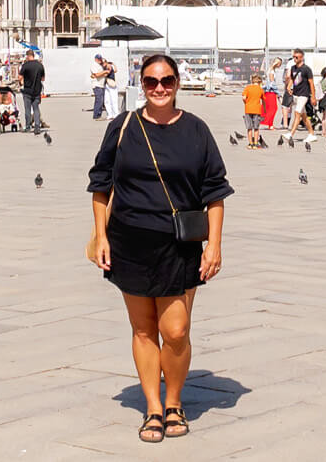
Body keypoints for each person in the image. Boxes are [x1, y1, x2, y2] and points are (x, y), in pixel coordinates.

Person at [87, 53, 231, 444]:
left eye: (167, 80)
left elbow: (215, 192)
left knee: (177, 330)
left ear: (178, 83)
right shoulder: (123, 127)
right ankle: (155, 407)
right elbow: (100, 184)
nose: (160, 88)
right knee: (143, 328)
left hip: (179, 244)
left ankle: (175, 398)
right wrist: (100, 236)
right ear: (141, 84)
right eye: (151, 82)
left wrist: (213, 245)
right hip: (129, 240)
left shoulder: (197, 130)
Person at [286, 50, 315, 134]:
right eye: (293, 57)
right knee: (304, 115)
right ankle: (311, 134)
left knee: (297, 113)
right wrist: (288, 87)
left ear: (302, 58)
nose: (294, 59)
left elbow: (311, 83)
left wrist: (313, 96)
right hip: (296, 94)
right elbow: (292, 78)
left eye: (296, 57)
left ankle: (291, 134)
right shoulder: (293, 68)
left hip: (304, 94)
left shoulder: (307, 69)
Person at [19, 48, 47, 133]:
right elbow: (43, 79)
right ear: (33, 55)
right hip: (37, 90)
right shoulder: (40, 65)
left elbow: (20, 77)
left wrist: (21, 83)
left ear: (27, 56)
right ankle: (37, 127)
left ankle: (28, 127)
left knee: (27, 109)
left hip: (27, 90)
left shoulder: (25, 65)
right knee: (36, 108)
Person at [242, 72, 266, 148]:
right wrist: (264, 109)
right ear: (260, 82)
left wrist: (246, 103)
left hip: (248, 109)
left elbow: (244, 98)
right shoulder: (260, 89)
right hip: (257, 110)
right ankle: (255, 143)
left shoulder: (247, 88)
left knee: (249, 128)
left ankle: (250, 143)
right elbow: (264, 101)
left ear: (252, 80)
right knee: (256, 128)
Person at [91, 55, 114, 120]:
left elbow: (102, 74)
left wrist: (107, 71)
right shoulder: (94, 65)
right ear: (95, 59)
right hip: (97, 85)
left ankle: (98, 114)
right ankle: (97, 115)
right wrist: (104, 72)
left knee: (101, 100)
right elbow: (96, 74)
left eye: (100, 59)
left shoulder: (99, 66)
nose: (100, 60)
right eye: (99, 59)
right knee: (99, 100)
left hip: (101, 85)